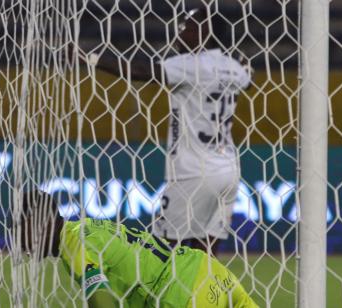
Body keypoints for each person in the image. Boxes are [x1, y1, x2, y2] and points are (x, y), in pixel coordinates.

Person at [85, 6, 251, 255]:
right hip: (228, 169)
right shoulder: (233, 67)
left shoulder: (190, 64)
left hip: (193, 172)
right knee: (205, 253)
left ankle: (158, 294)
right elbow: (248, 80)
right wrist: (243, 64)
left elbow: (139, 71)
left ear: (206, 33)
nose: (180, 33)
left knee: (162, 251)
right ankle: (203, 294)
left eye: (188, 28)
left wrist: (90, 58)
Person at [18, 189, 258, 308]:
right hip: (213, 273)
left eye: (21, 229)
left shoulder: (72, 246)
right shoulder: (83, 225)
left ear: (42, 222)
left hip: (182, 296)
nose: (19, 240)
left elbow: (99, 297)